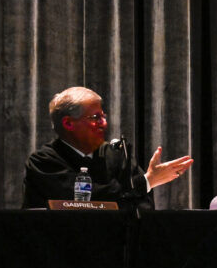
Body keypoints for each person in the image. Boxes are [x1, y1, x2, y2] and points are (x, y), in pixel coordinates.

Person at [23, 87, 193, 209]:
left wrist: (143, 185)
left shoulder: (117, 155)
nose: (104, 123)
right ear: (68, 123)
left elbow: (142, 205)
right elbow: (82, 201)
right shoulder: (43, 161)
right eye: (95, 117)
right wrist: (146, 182)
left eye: (103, 116)